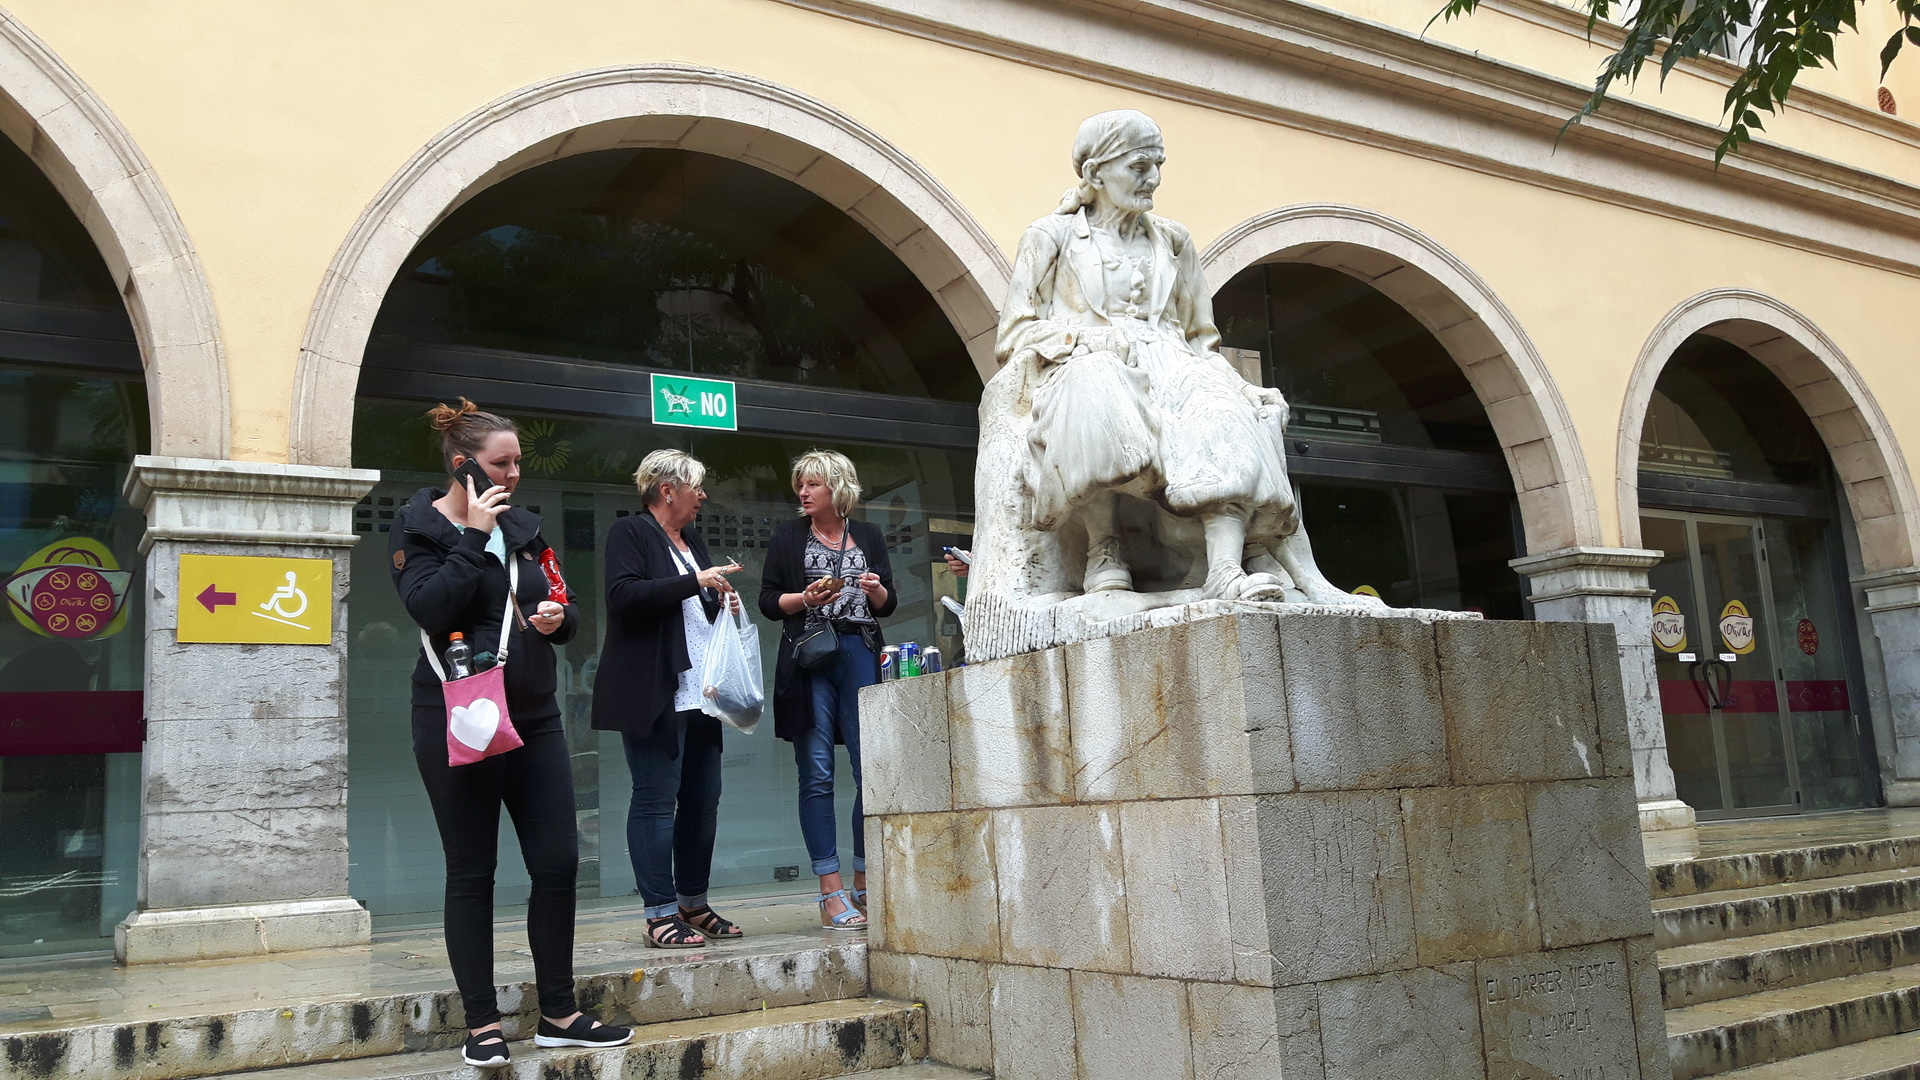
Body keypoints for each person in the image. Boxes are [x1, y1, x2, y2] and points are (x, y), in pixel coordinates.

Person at [390, 399, 631, 1069]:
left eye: (519, 460)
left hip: (535, 712)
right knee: (472, 871)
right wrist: (471, 533)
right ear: (465, 464)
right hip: (457, 713)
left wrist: (560, 618)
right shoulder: (417, 525)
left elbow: (566, 600)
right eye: (503, 462)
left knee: (557, 862)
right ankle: (481, 1023)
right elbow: (429, 605)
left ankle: (559, 1012)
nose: (516, 473)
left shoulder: (526, 527)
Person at [590, 449, 744, 949]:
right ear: (667, 490)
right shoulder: (630, 533)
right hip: (656, 689)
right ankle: (658, 915)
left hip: (704, 692)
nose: (703, 497)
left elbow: (690, 602)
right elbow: (624, 595)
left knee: (703, 802)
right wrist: (694, 580)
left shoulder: (691, 538)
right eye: (696, 487)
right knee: (656, 802)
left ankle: (692, 904)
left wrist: (719, 595)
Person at [759, 449, 896, 931]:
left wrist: (874, 588)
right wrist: (806, 597)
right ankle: (829, 890)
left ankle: (864, 879)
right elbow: (768, 601)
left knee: (870, 770)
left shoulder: (870, 536)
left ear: (837, 488)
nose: (802, 492)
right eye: (800, 484)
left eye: (812, 484)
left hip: (859, 652)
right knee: (816, 772)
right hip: (810, 656)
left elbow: (887, 603)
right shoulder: (788, 536)